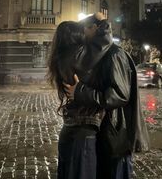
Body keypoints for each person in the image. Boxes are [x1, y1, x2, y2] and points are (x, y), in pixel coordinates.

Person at [64, 15, 150, 179]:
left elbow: (119, 95)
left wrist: (80, 92)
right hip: (105, 134)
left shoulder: (114, 54)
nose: (83, 33)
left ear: (95, 28)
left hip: (116, 137)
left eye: (86, 28)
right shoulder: (99, 53)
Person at [47, 14, 113, 179]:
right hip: (83, 128)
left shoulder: (62, 57)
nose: (85, 32)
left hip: (71, 126)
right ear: (75, 36)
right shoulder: (77, 55)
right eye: (81, 31)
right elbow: (103, 42)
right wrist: (103, 21)